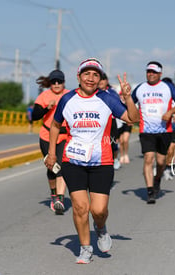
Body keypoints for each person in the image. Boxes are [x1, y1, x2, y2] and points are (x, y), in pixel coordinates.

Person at [44, 58, 139, 264]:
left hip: (102, 162)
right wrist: (52, 153)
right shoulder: (67, 99)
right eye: (87, 74)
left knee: (98, 210)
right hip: (73, 161)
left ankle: (101, 228)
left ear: (99, 79)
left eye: (95, 75)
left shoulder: (107, 99)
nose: (91, 78)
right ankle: (85, 248)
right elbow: (54, 125)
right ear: (78, 77)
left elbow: (133, 119)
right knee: (80, 207)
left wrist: (128, 98)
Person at [131, 61, 175, 204]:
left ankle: (157, 179)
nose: (151, 74)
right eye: (149, 71)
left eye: (154, 72)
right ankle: (150, 191)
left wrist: (170, 112)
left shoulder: (167, 87)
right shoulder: (140, 88)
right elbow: (130, 102)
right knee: (148, 158)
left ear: (160, 74)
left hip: (164, 130)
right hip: (146, 130)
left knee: (161, 162)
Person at [32, 69, 69, 215]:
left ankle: (60, 199)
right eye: (54, 82)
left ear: (64, 82)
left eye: (59, 81)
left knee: (61, 167)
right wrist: (47, 108)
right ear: (50, 83)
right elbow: (34, 116)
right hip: (47, 136)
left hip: (65, 136)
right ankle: (53, 194)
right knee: (51, 167)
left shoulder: (70, 95)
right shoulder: (44, 96)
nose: (57, 84)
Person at [98, 73, 121, 170]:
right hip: (98, 124)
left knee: (112, 144)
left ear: (107, 81)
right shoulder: (94, 92)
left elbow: (117, 106)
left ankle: (114, 159)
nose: (101, 82)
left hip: (111, 123)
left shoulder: (112, 92)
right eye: (100, 80)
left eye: (103, 80)